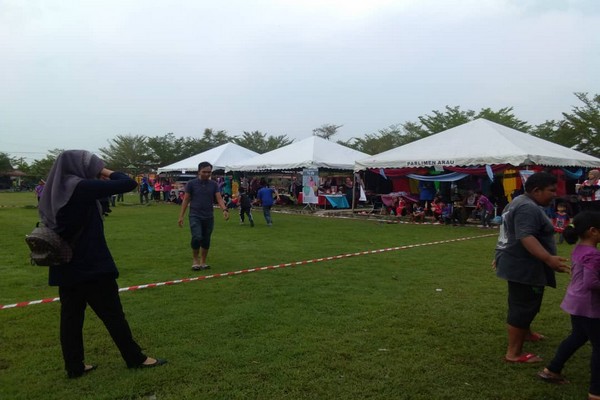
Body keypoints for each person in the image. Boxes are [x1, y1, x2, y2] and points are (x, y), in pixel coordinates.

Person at [38, 150, 166, 379]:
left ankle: (74, 366)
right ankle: (135, 358)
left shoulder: (57, 188)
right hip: (90, 264)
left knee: (71, 318)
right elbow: (127, 183)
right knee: (113, 315)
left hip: (64, 264)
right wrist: (103, 170)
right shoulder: (80, 187)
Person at [495, 171, 570, 363]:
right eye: (551, 190)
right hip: (523, 267)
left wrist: (500, 254)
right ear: (537, 190)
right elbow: (525, 236)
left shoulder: (518, 201)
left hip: (518, 263)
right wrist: (548, 259)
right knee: (523, 306)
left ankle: (526, 333)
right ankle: (514, 353)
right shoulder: (527, 207)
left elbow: (507, 233)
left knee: (527, 302)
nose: (555, 194)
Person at [537, 211, 600, 400]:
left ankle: (552, 370)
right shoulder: (594, 254)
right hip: (589, 306)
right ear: (593, 231)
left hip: (576, 302)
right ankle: (595, 392)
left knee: (578, 336)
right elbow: (591, 283)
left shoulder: (580, 249)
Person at [178, 161, 229, 271]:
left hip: (209, 216)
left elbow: (219, 198)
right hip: (195, 215)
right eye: (204, 172)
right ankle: (195, 260)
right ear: (199, 171)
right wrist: (181, 216)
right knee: (197, 237)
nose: (207, 174)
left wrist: (224, 209)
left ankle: (203, 262)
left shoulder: (214, 184)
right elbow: (186, 200)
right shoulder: (191, 184)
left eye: (209, 172)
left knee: (206, 239)